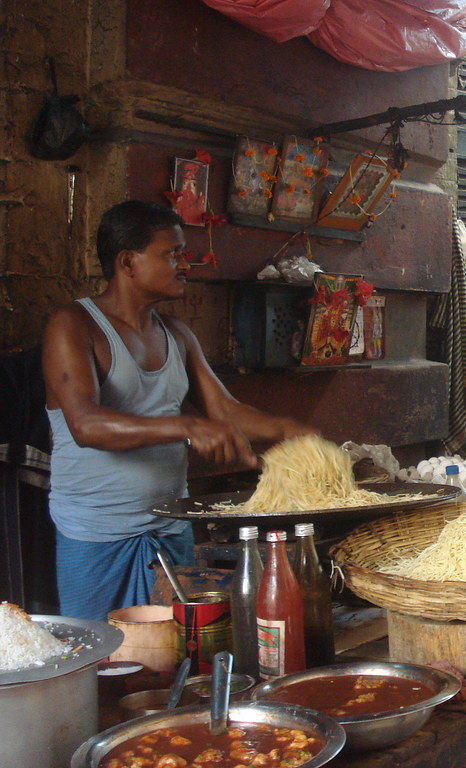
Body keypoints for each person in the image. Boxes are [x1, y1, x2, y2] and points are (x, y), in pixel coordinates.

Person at [42, 201, 313, 621]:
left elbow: (225, 410)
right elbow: (85, 424)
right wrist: (186, 425)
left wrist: (293, 432)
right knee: (101, 663)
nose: (184, 264)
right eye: (172, 254)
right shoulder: (73, 324)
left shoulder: (177, 334)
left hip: (170, 526)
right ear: (127, 262)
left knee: (181, 655)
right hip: (97, 535)